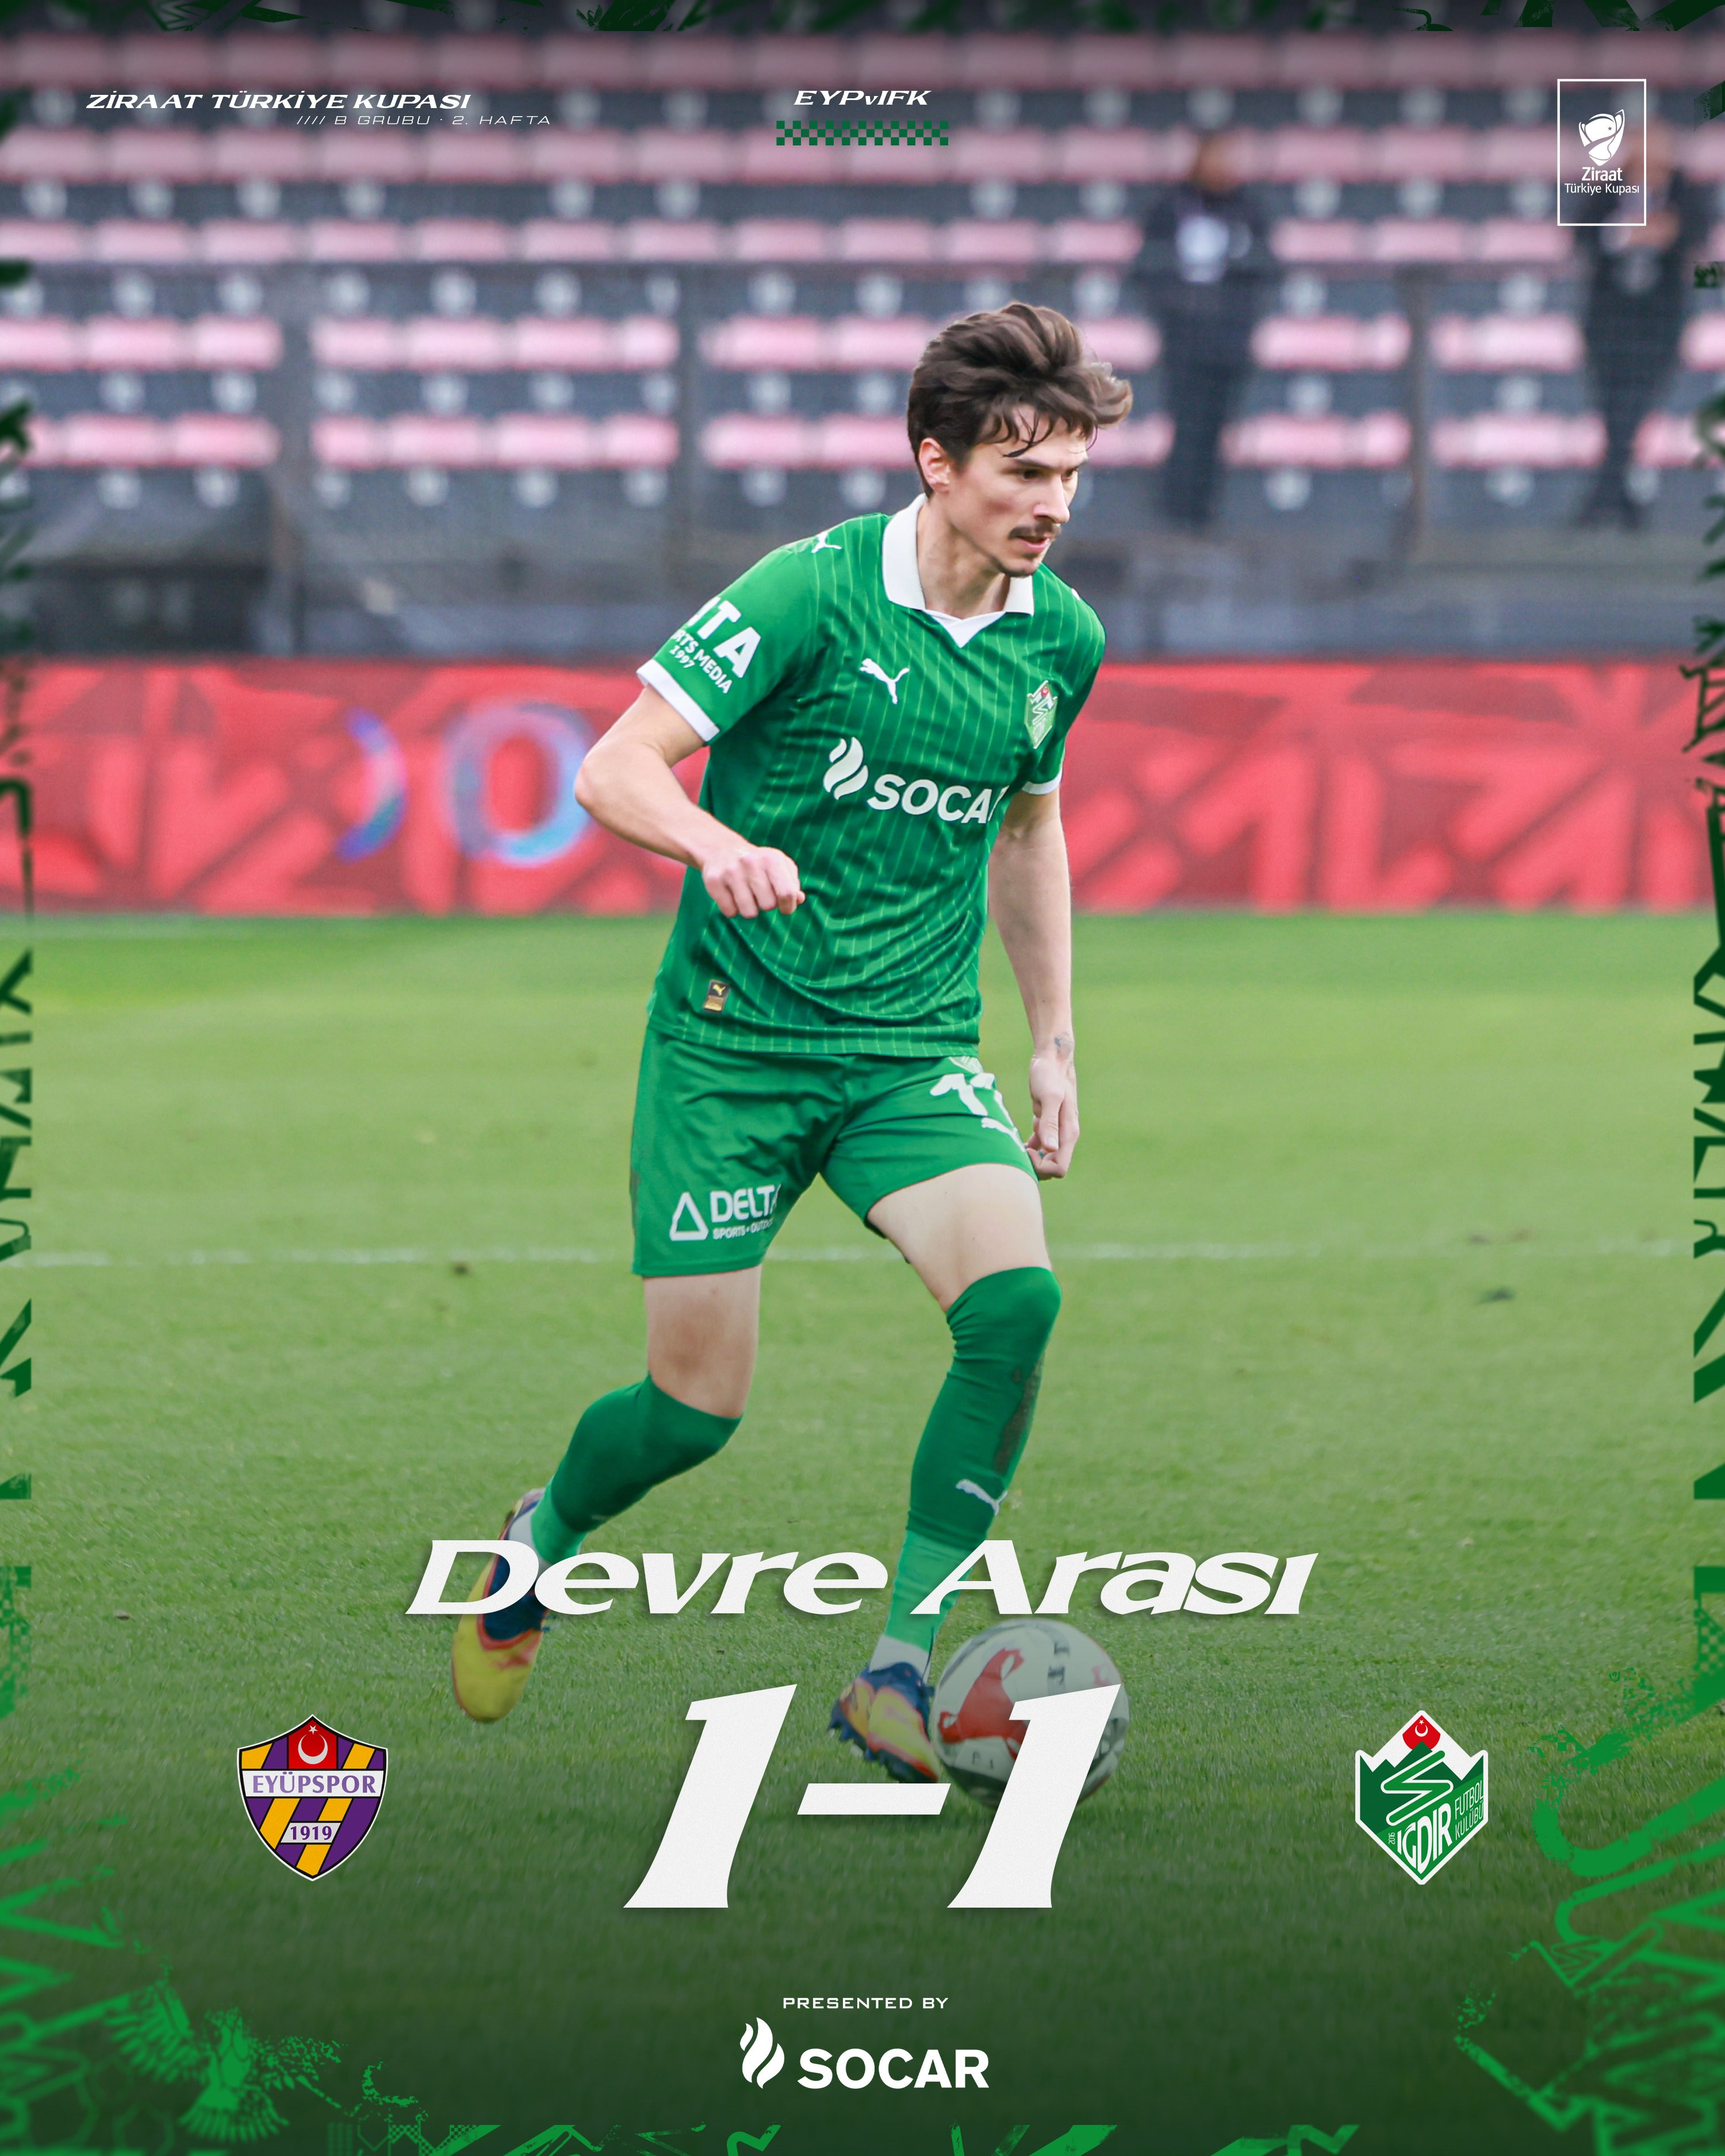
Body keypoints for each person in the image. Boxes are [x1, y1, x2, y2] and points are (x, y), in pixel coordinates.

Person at [448, 303, 1132, 1783]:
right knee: (691, 1413)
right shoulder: (810, 592)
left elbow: (1030, 831)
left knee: (1015, 1305)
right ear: (936, 460)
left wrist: (1055, 1041)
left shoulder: (1058, 639)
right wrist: (714, 844)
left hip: (908, 1051)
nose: (1053, 506)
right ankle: (540, 1537)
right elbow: (612, 767)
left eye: (1072, 476)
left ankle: (897, 1665)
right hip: (731, 1049)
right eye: (1024, 473)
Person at [1575, 118, 1708, 531]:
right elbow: (1580, 236)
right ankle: (1620, 502)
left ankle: (1606, 499)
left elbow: (1695, 236)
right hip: (1609, 322)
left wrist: (1664, 234)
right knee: (1612, 407)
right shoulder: (1606, 190)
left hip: (1658, 323)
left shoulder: (1685, 194)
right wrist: (1622, 234)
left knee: (1635, 407)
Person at [1138, 131, 1272, 533]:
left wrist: (1237, 321)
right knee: (1186, 426)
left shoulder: (1249, 210)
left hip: (1228, 342)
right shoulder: (1171, 207)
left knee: (1217, 427)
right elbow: (1148, 269)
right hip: (1184, 341)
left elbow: (1264, 272)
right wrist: (1177, 311)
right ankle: (1175, 514)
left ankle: (1206, 515)